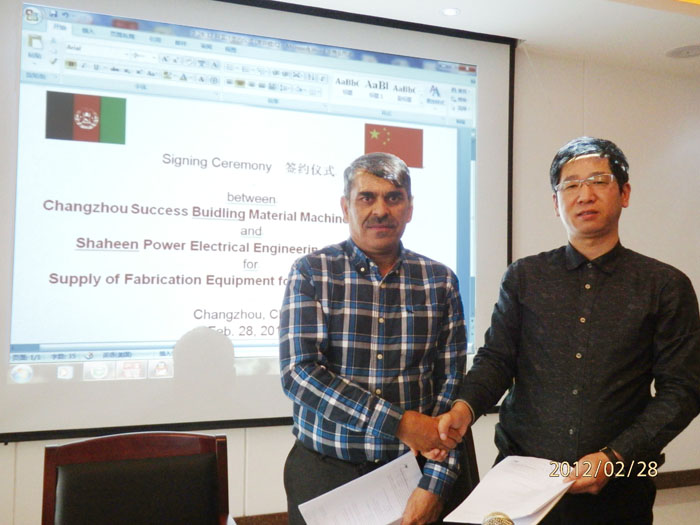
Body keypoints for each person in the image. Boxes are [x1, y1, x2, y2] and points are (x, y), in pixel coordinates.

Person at [432, 137, 700, 524]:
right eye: (570, 185)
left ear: (624, 193)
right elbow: (497, 359)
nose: (584, 195)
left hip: (620, 483)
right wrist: (465, 407)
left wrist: (616, 456)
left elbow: (683, 390)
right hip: (521, 478)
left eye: (599, 181)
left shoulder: (664, 286)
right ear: (556, 203)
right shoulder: (525, 276)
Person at [279, 152, 467, 524]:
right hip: (326, 475)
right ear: (345, 206)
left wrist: (436, 484)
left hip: (414, 473)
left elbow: (452, 387)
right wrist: (399, 422)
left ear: (409, 208)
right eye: (367, 197)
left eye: (393, 198)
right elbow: (299, 374)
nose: (380, 210)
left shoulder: (440, 281)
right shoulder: (312, 272)